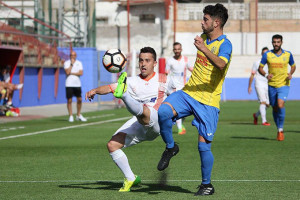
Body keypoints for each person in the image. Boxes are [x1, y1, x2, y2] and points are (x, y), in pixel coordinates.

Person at [156, 3, 232, 196]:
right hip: (189, 92)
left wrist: (204, 48)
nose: (202, 22)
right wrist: (203, 45)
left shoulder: (225, 44)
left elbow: (221, 64)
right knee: (163, 111)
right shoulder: (205, 38)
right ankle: (171, 147)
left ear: (216, 23)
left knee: (203, 146)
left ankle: (207, 185)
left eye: (205, 19)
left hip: (208, 101)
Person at [85, 47, 168, 192]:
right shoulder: (132, 81)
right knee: (112, 145)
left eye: (147, 61)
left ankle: (125, 97)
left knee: (146, 112)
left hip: (156, 123)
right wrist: (95, 90)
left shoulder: (164, 79)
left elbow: (183, 95)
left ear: (155, 63)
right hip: (140, 123)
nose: (143, 64)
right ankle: (131, 178)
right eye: (141, 60)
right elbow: (110, 88)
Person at [258, 34, 296, 141]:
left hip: (284, 84)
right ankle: (278, 127)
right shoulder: (267, 55)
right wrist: (266, 75)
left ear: (281, 43)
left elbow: (293, 66)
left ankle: (280, 130)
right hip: (272, 85)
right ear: (272, 43)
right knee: (274, 107)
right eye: (274, 42)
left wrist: (290, 73)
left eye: (278, 42)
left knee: (280, 104)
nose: (276, 44)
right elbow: (260, 68)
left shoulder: (288, 54)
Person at [165, 42, 193, 135]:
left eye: (178, 49)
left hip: (184, 87)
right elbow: (166, 73)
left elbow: (192, 69)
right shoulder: (170, 61)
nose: (177, 51)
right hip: (174, 87)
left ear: (181, 49)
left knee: (186, 108)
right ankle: (180, 128)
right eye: (175, 49)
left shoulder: (185, 60)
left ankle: (178, 121)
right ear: (173, 50)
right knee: (177, 107)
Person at [248, 47, 271, 126]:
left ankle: (256, 115)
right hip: (259, 83)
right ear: (261, 54)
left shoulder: (271, 63)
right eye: (264, 53)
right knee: (263, 102)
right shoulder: (257, 63)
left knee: (268, 104)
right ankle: (264, 121)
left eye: (266, 53)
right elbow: (252, 74)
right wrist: (249, 86)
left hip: (268, 84)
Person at [64, 51, 87, 122]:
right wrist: (71, 64)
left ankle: (78, 115)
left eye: (74, 55)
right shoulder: (66, 63)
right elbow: (67, 72)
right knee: (69, 100)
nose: (72, 56)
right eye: (71, 55)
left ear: (76, 56)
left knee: (79, 99)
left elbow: (81, 73)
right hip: (69, 84)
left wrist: (72, 73)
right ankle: (70, 115)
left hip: (77, 84)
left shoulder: (79, 63)